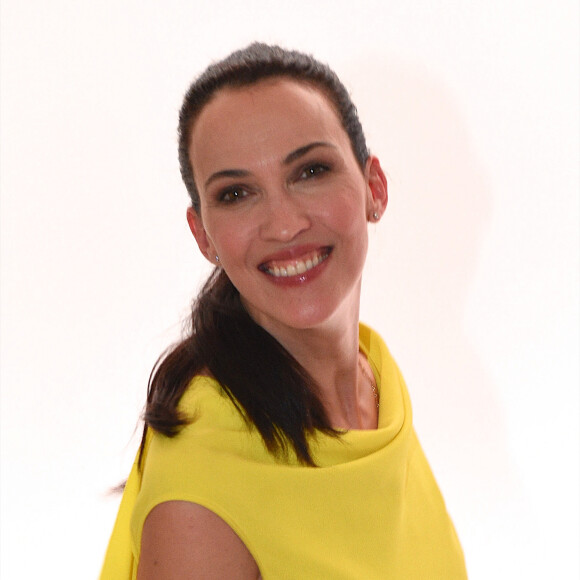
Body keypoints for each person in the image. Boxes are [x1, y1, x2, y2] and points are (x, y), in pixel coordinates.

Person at [100, 43, 467, 579]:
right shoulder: (203, 487)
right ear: (203, 235)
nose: (284, 224)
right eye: (236, 193)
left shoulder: (376, 380)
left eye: (311, 170)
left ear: (374, 187)